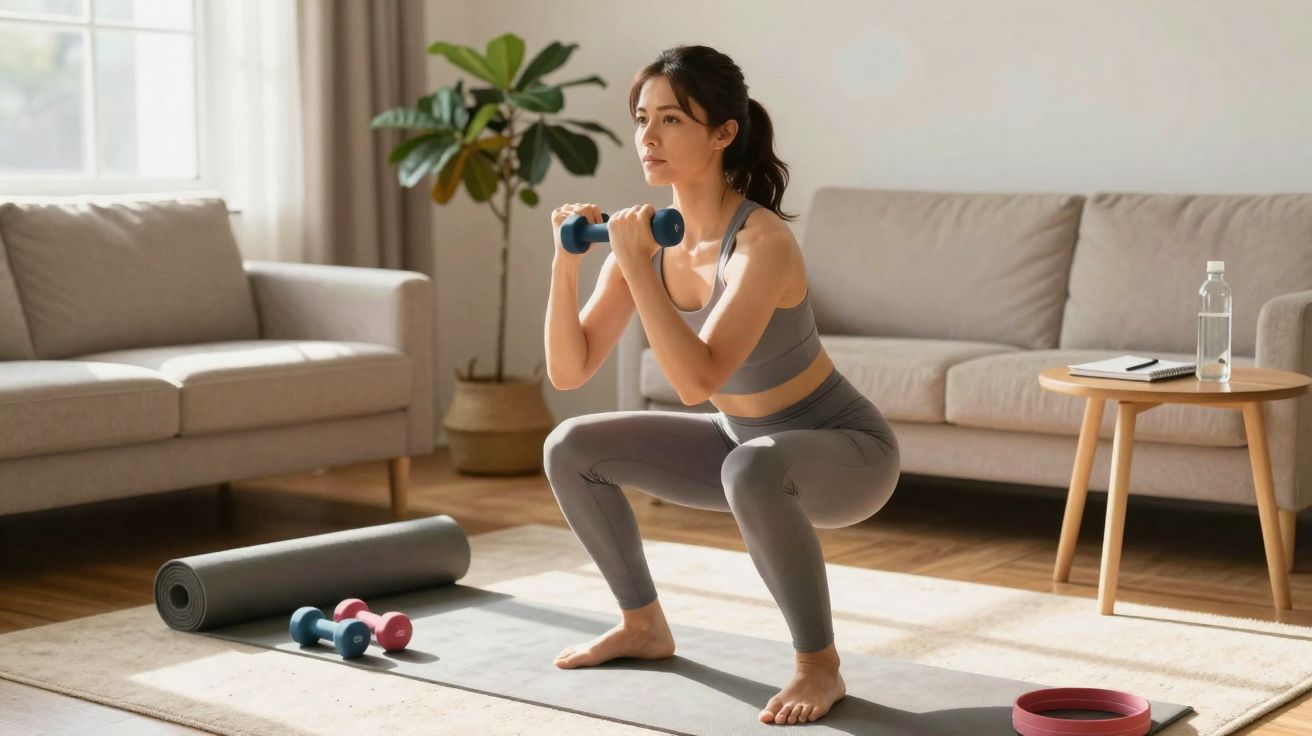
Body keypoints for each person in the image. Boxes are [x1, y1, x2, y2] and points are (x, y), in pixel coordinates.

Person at [542, 44, 900, 726]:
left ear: (723, 133)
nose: (648, 137)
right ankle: (642, 625)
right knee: (570, 446)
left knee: (752, 467)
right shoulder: (644, 244)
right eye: (642, 118)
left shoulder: (761, 243)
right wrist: (565, 265)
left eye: (672, 119)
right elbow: (569, 369)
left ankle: (819, 665)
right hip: (740, 445)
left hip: (845, 452)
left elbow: (696, 379)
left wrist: (636, 266)